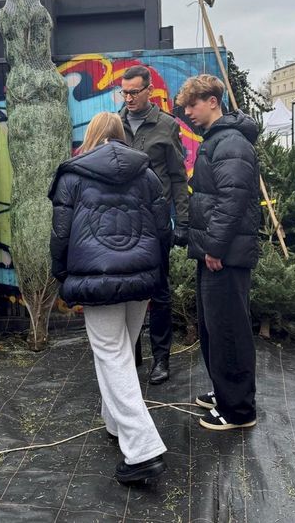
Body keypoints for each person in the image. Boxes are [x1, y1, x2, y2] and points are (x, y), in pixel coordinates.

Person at [48, 112, 170, 482]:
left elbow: (60, 234)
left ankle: (143, 450)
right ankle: (114, 422)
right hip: (141, 278)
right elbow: (163, 228)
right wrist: (158, 272)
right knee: (122, 352)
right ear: (120, 135)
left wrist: (61, 274)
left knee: (113, 356)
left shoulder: (72, 175)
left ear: (92, 135)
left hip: (96, 279)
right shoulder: (146, 174)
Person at [175, 74, 260, 431]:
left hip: (224, 255)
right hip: (216, 252)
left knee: (229, 330)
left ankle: (238, 411)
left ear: (213, 101)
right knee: (214, 327)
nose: (189, 112)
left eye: (193, 104)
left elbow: (233, 200)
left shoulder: (231, 143)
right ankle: (224, 391)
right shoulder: (218, 140)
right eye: (186, 107)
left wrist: (215, 247)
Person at [118, 65, 189, 385]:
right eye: (125, 92)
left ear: (149, 91)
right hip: (122, 222)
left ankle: (162, 358)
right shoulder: (114, 124)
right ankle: (132, 354)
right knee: (128, 290)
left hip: (156, 221)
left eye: (134, 92)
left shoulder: (166, 126)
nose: (129, 98)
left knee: (159, 292)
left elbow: (177, 177)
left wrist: (183, 221)